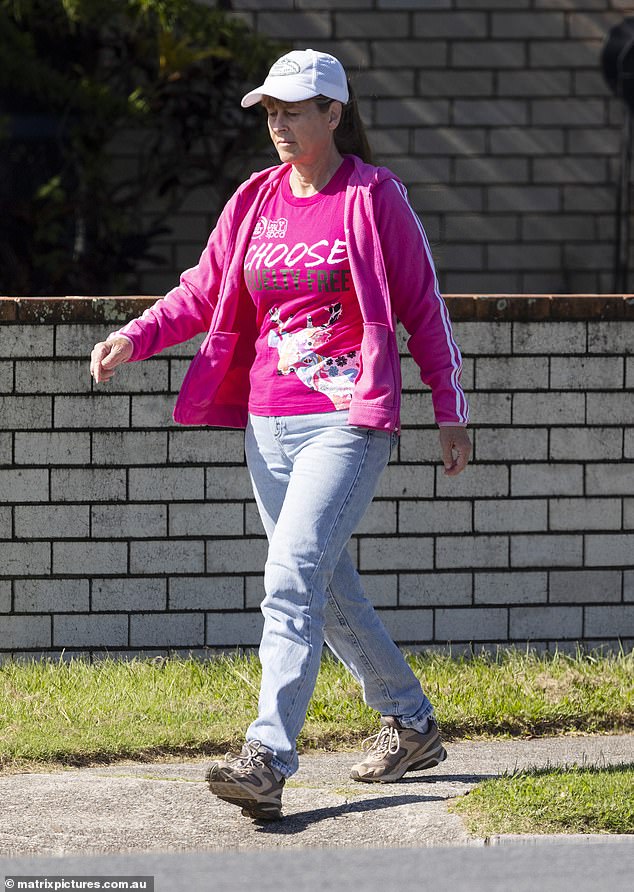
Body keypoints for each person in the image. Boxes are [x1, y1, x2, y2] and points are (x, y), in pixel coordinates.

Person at [90, 48, 471, 822]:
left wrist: (448, 408)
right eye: (271, 111)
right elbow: (205, 285)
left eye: (295, 110)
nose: (280, 124)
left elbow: (423, 305)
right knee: (325, 585)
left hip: (346, 418)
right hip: (269, 420)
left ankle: (266, 758)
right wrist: (138, 334)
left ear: (334, 113)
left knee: (291, 578)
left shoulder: (373, 197)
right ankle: (414, 724)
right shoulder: (257, 198)